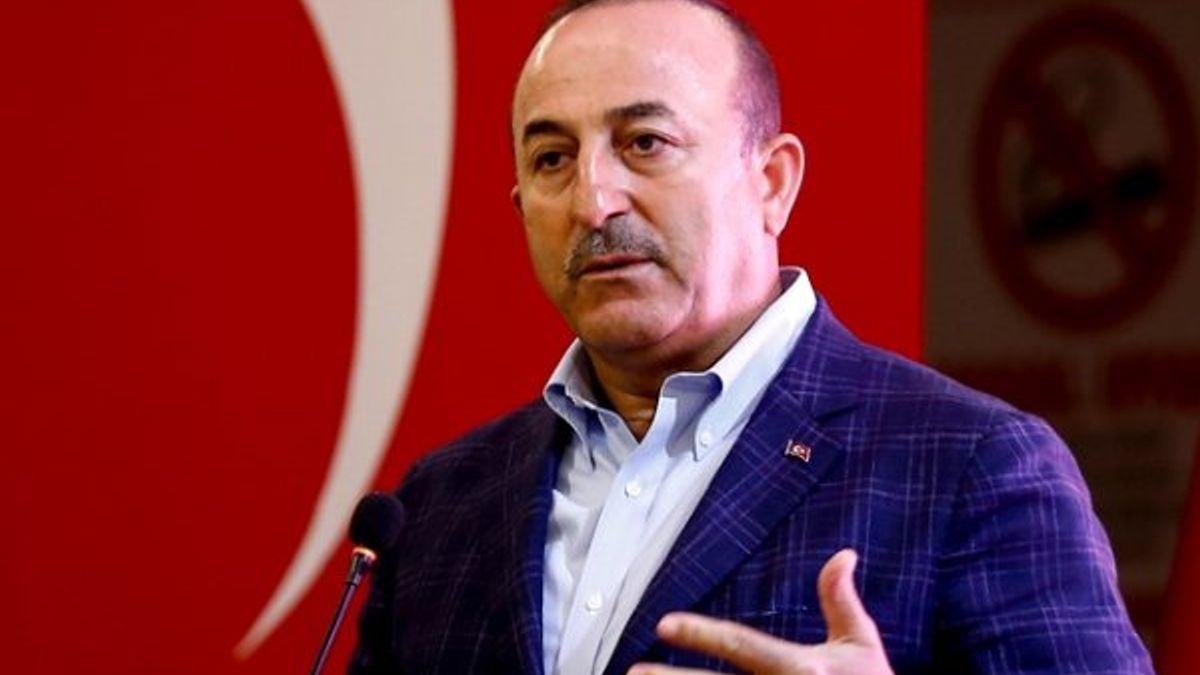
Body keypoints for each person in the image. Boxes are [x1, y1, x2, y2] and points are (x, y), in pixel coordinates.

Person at [349, 0, 1152, 673]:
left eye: (645, 143)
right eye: (553, 157)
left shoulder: (971, 465)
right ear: (520, 205)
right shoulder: (439, 506)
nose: (593, 201)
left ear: (772, 182)